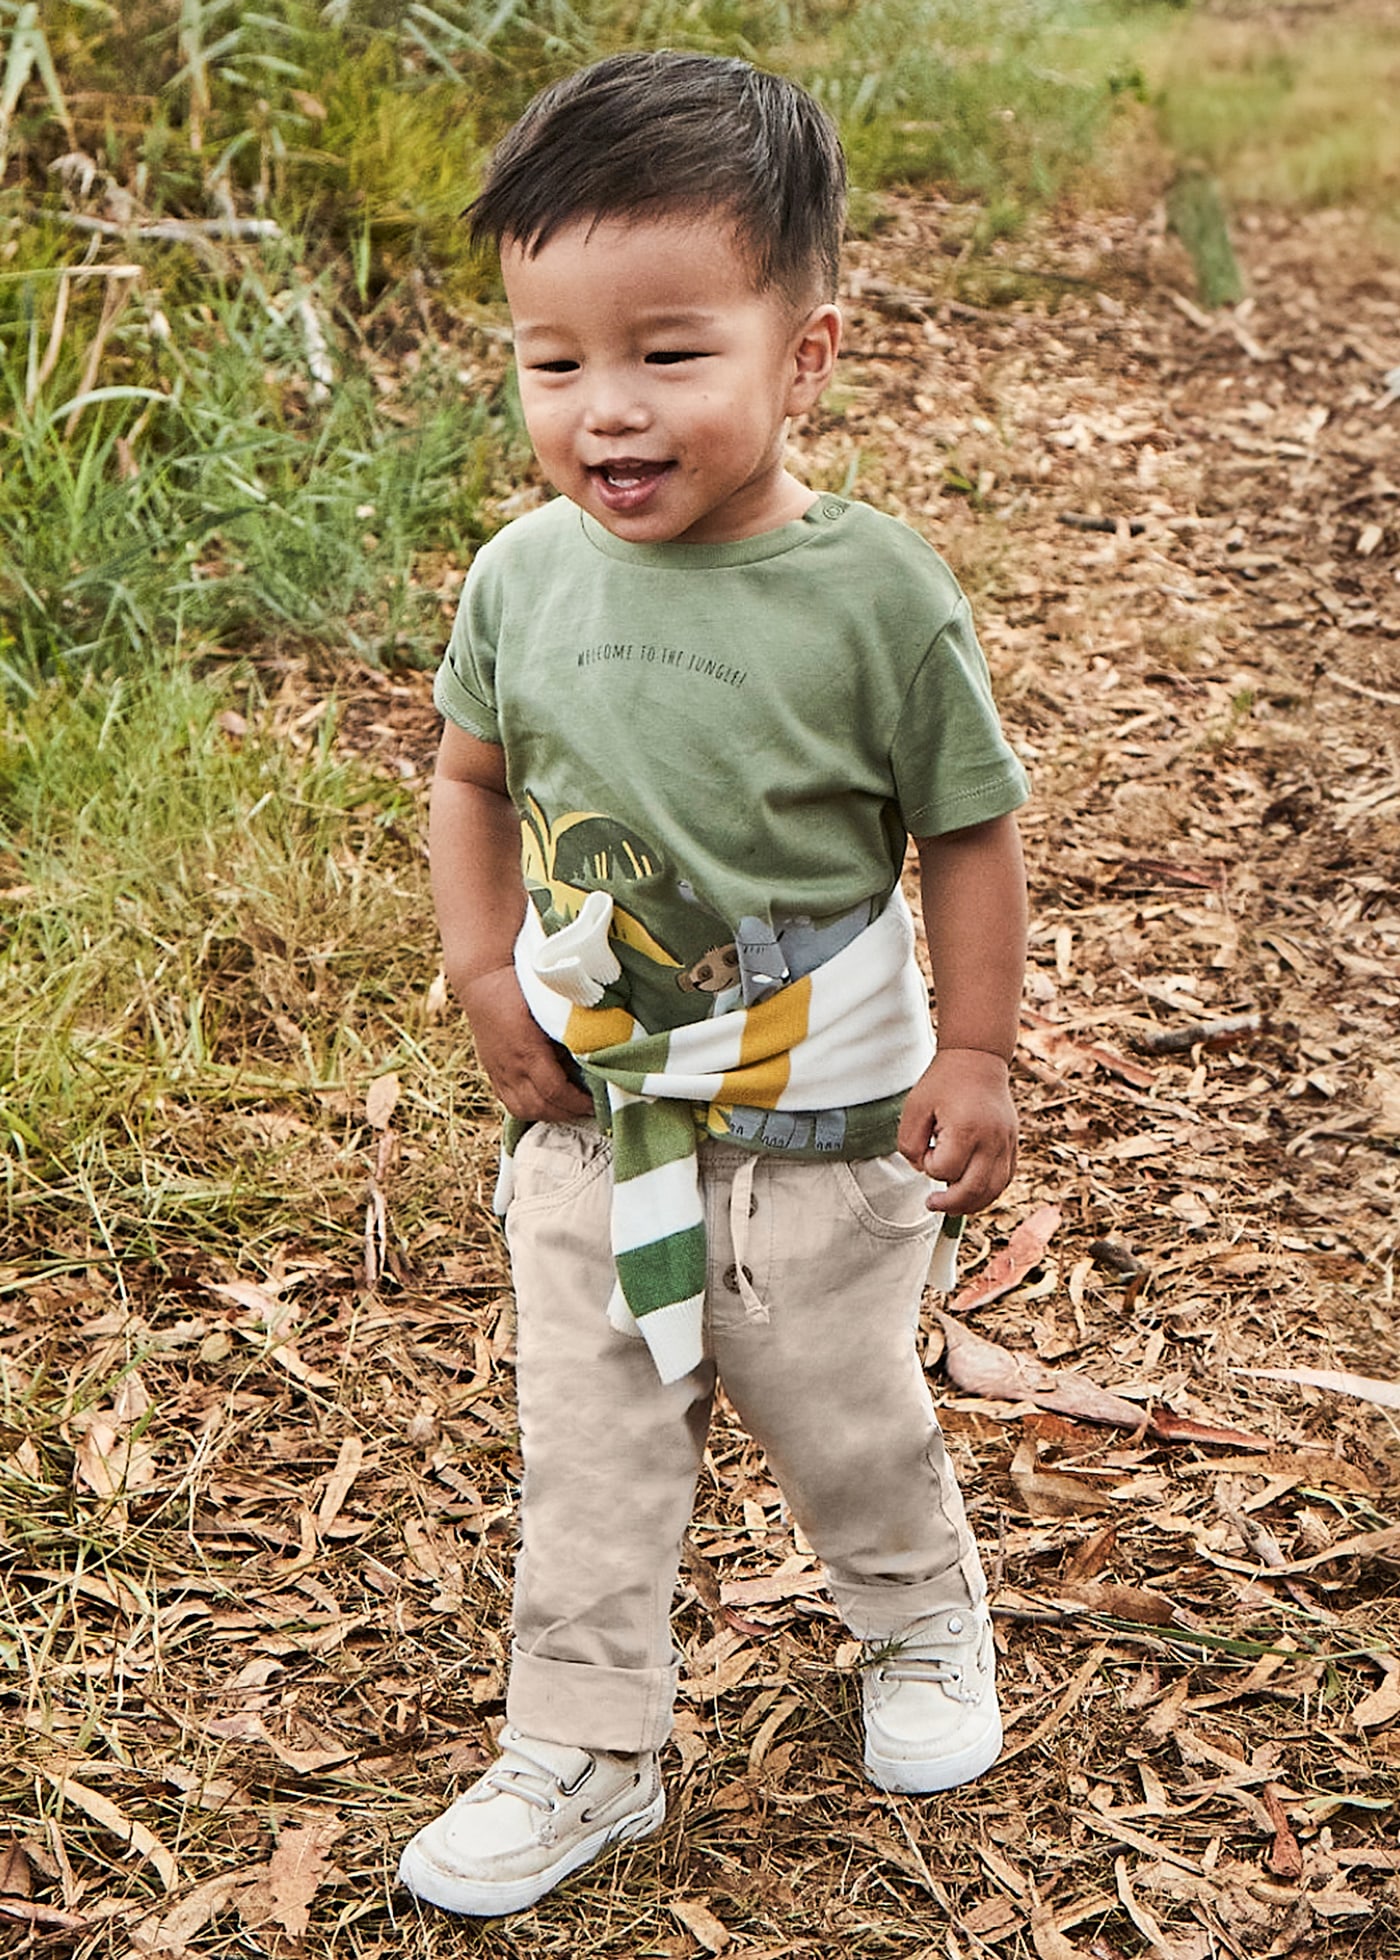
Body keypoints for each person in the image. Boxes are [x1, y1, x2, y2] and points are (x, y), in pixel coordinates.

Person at [398, 49, 1030, 1919]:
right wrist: (477, 965)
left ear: (804, 354)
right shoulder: (522, 581)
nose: (607, 410)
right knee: (587, 1431)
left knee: (842, 1412)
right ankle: (586, 1739)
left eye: (670, 354)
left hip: (825, 1125)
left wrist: (981, 1048)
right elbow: (470, 776)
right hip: (596, 1112)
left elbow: (970, 831)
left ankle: (920, 1622)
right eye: (554, 360)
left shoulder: (876, 601)